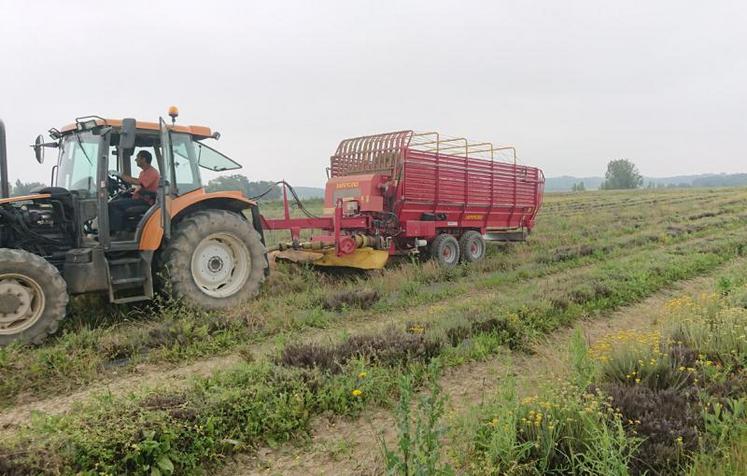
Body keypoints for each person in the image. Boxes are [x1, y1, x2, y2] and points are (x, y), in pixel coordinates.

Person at [108, 150, 160, 234]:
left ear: (143, 159)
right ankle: (124, 227)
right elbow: (139, 185)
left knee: (112, 205)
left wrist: (120, 175)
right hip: (139, 198)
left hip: (145, 201)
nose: (135, 160)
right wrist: (130, 190)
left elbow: (138, 182)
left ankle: (115, 232)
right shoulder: (143, 172)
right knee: (117, 200)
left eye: (137, 158)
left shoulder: (152, 172)